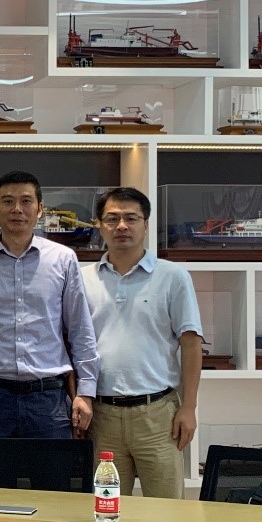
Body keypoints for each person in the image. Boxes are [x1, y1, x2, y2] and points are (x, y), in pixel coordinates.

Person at [0, 170, 99, 443]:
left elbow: (80, 330)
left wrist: (85, 392)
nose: (17, 209)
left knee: (52, 473)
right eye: (8, 201)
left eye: (26, 201)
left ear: (40, 209)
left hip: (48, 400)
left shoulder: (63, 259)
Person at [82, 186, 202, 498]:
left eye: (131, 218)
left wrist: (189, 407)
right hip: (102, 416)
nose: (121, 226)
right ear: (100, 225)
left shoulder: (173, 277)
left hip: (158, 415)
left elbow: (191, 345)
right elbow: (75, 345)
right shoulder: (83, 279)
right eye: (112, 219)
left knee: (166, 512)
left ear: (146, 225)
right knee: (106, 510)